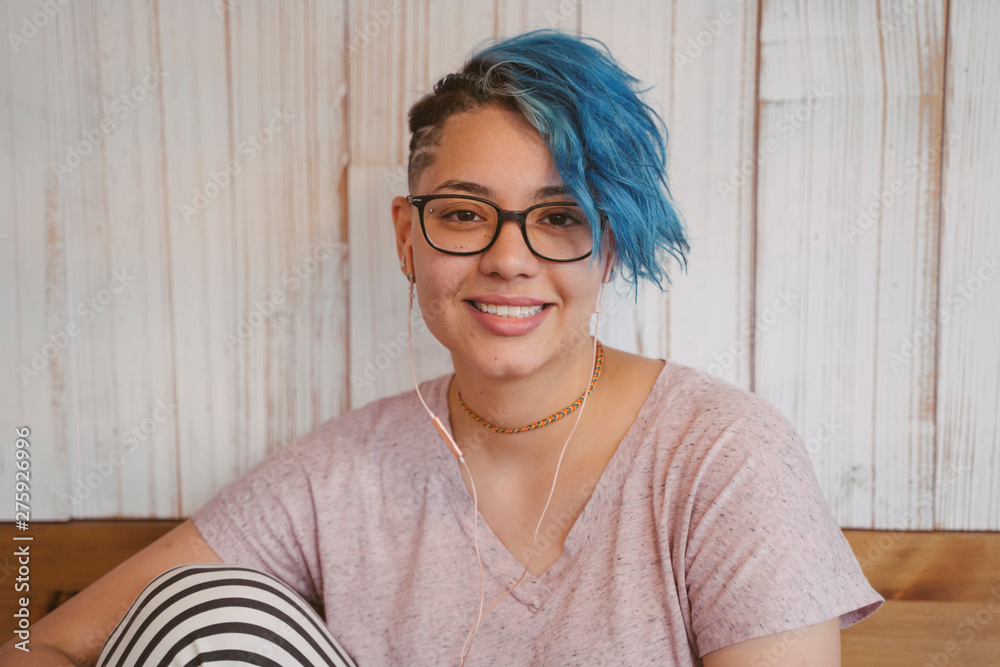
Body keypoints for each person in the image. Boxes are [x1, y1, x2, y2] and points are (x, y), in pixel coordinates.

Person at [1, 30, 882, 666]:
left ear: (609, 245)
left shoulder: (722, 458)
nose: (508, 257)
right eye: (464, 213)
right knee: (203, 611)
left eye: (560, 216)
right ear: (408, 237)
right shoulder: (341, 472)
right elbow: (61, 642)